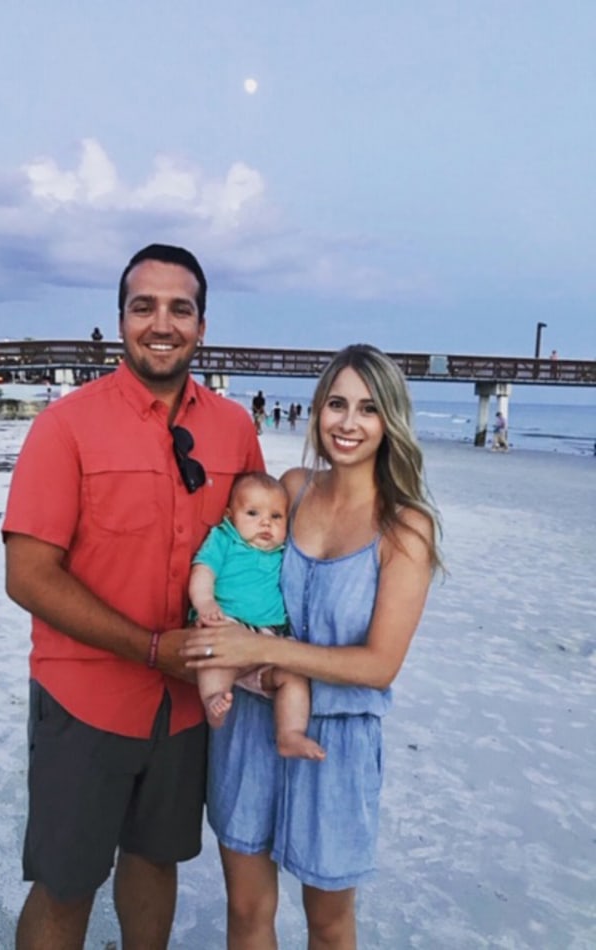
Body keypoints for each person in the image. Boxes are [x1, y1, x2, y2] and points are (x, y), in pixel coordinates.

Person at [3, 243, 264, 950]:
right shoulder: (66, 425)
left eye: (180, 308)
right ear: (120, 320)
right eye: (143, 305)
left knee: (154, 861)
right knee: (65, 884)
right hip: (82, 697)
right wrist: (151, 647)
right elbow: (27, 574)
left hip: (186, 706)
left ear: (202, 326)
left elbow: (255, 549)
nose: (161, 322)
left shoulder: (235, 429)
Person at [183, 344, 443, 949]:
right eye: (336, 404)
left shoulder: (405, 527)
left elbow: (380, 665)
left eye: (368, 409)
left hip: (337, 743)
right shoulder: (293, 489)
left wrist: (260, 652)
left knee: (328, 924)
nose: (348, 423)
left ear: (391, 422)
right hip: (248, 723)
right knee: (247, 910)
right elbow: (229, 552)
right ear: (317, 410)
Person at [189, 472, 324, 760]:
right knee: (216, 659)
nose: (266, 523)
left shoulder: (282, 551)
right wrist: (205, 603)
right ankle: (214, 702)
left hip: (271, 635)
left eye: (276, 516)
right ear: (230, 515)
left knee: (293, 676)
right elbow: (203, 571)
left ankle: (290, 733)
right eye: (252, 513)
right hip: (229, 623)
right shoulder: (224, 539)